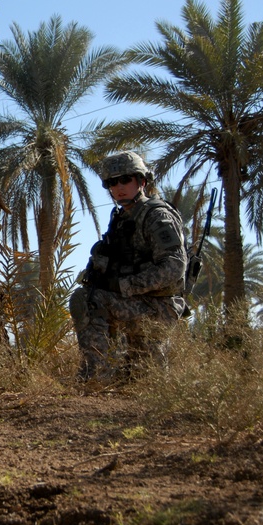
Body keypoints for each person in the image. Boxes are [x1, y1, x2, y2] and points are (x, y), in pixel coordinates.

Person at [69, 151, 187, 384]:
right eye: (112, 183)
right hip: (138, 303)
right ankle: (120, 371)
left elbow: (175, 266)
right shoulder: (122, 218)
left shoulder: (156, 216)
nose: (119, 187)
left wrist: (124, 285)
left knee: (89, 301)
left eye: (125, 180)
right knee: (143, 378)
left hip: (160, 305)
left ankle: (96, 377)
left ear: (141, 181)